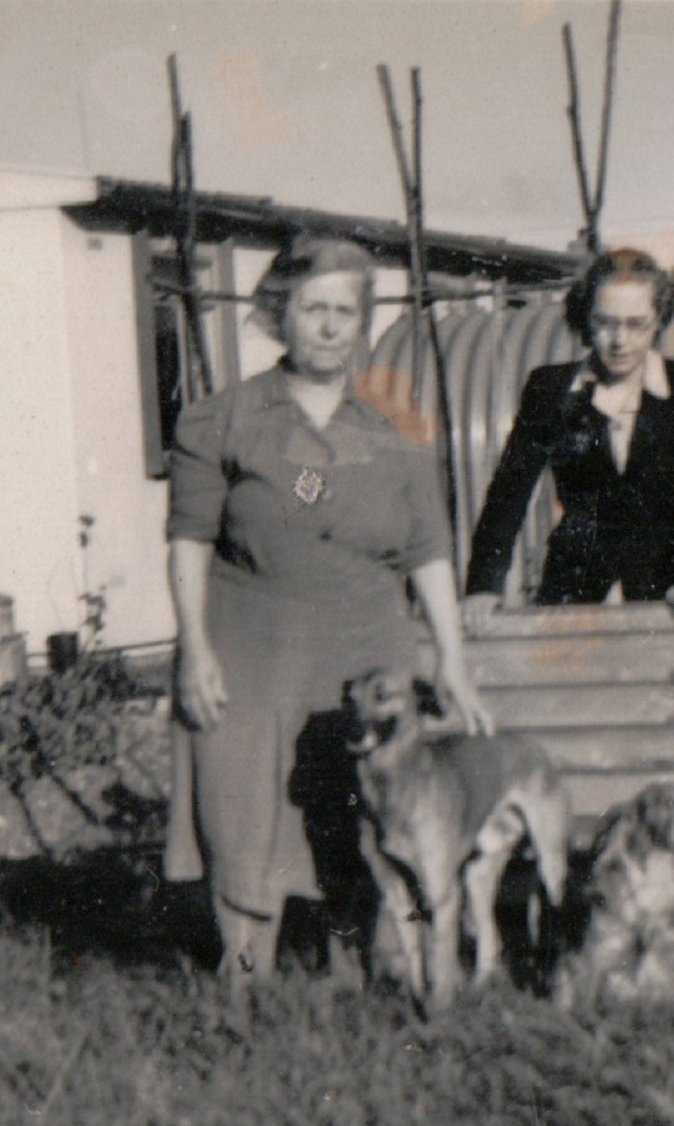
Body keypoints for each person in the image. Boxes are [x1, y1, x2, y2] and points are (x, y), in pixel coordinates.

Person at [165, 237, 494, 989]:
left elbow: (429, 549)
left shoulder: (394, 425)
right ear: (280, 312)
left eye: (346, 311)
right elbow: (188, 541)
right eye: (313, 308)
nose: (329, 326)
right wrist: (194, 649)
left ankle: (355, 970)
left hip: (366, 649)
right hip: (255, 640)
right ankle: (245, 972)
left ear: (363, 322)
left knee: (369, 812)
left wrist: (452, 659)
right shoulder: (225, 419)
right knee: (243, 809)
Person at [462, 247, 674, 633]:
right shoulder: (550, 389)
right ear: (585, 321)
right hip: (575, 590)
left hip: (667, 596)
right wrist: (483, 586)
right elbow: (509, 494)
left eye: (636, 324)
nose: (620, 341)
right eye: (605, 323)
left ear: (659, 320)